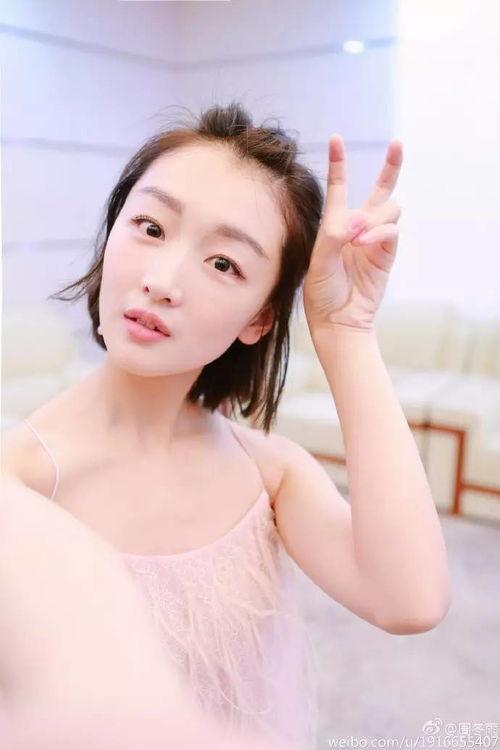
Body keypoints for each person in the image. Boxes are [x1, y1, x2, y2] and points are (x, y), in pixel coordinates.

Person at [1, 100, 451, 748]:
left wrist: (346, 329)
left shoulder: (268, 473)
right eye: (150, 227)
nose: (161, 281)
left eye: (223, 263)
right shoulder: (16, 484)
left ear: (260, 319)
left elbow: (410, 600)